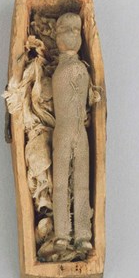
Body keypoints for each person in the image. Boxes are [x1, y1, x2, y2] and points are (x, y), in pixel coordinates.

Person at [51, 13, 93, 255]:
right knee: (60, 183)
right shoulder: (62, 69)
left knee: (81, 183)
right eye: (66, 30)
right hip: (63, 130)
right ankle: (62, 235)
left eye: (76, 30)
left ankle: (83, 235)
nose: (71, 34)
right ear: (56, 35)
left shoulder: (79, 68)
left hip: (78, 130)